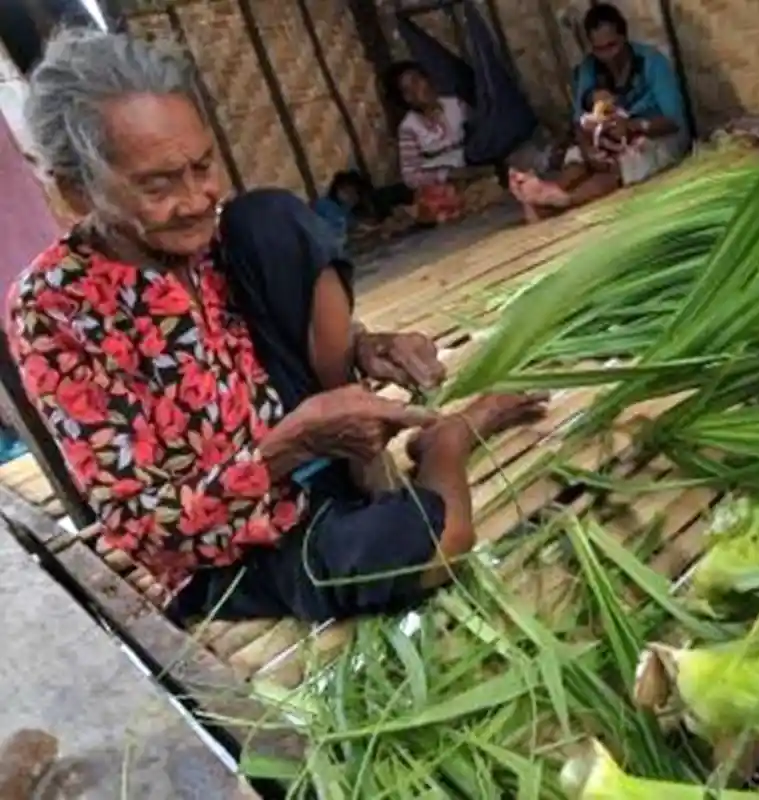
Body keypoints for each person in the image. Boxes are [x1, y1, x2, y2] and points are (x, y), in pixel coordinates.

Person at [9, 29, 547, 623]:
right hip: (235, 541)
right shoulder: (55, 307)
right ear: (77, 191)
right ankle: (446, 443)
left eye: (203, 166)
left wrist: (364, 346)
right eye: (158, 185)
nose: (195, 200)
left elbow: (272, 330)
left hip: (321, 453)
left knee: (271, 217)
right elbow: (146, 532)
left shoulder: (213, 236)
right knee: (434, 544)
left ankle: (366, 466)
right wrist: (290, 445)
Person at [510, 3, 690, 223]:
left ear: (624, 37)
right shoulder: (590, 68)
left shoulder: (651, 62)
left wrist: (634, 126)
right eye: (599, 49)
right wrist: (588, 150)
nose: (608, 55)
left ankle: (564, 200)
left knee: (620, 165)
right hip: (607, 138)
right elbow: (579, 121)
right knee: (577, 158)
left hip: (654, 136)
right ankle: (546, 194)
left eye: (612, 46)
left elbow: (674, 120)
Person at [390, 61, 496, 225]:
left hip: (472, 167)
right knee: (439, 199)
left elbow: (481, 133)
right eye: (408, 90)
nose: (417, 89)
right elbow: (410, 175)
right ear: (405, 99)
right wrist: (446, 174)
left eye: (417, 80)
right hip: (443, 184)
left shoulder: (455, 105)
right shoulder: (409, 127)